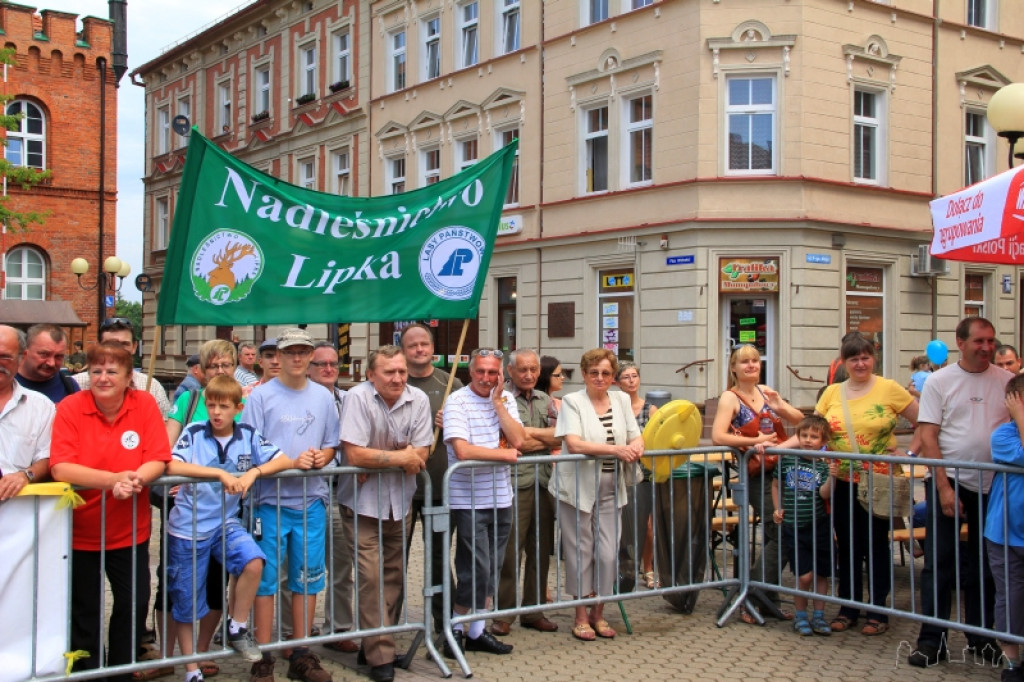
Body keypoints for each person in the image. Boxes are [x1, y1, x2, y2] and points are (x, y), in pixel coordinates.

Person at [166, 375, 313, 682]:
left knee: (254, 561)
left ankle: (237, 625)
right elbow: (172, 465)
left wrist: (254, 473)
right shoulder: (194, 432)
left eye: (223, 406)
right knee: (187, 600)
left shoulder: (247, 434)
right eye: (211, 405)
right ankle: (191, 668)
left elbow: (283, 460)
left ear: (238, 407)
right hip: (188, 528)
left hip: (225, 523)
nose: (216, 412)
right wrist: (217, 474)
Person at [49, 341, 170, 681]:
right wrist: (113, 479)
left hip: (130, 530)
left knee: (132, 606)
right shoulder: (71, 407)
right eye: (97, 370)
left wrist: (133, 481)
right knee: (85, 610)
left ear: (129, 377)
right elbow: (61, 468)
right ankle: (88, 673)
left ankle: (121, 669)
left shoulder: (143, 404)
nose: (103, 377)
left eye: (112, 371)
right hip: (80, 530)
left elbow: (157, 457)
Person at [909, 316, 1013, 667]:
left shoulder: (1008, 381)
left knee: (985, 568)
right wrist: (942, 488)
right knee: (939, 564)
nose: (986, 348)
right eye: (979, 341)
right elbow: (927, 435)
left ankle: (982, 638)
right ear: (960, 342)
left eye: (990, 342)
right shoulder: (940, 381)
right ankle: (931, 640)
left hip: (994, 487)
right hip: (949, 482)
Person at [243, 328, 339, 682]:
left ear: (310, 356)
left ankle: (301, 652)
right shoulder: (261, 397)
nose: (297, 358)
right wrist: (289, 461)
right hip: (269, 502)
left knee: (308, 579)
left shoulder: (323, 397)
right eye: (290, 352)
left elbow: (332, 444)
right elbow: (250, 449)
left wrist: (319, 458)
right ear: (277, 357)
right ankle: (263, 656)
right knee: (266, 581)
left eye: (303, 352)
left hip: (310, 501)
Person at [337, 346, 432, 682]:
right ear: (371, 374)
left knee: (394, 576)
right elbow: (354, 454)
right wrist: (399, 457)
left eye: (402, 371)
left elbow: (422, 451)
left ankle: (374, 641)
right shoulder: (357, 398)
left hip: (400, 503)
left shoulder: (418, 399)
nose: (397, 378)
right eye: (389, 372)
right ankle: (381, 656)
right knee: (371, 577)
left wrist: (383, 457)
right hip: (361, 503)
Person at [815, 332, 918, 636]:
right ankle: (848, 607)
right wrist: (778, 446)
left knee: (875, 546)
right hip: (844, 481)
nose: (860, 363)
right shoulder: (832, 392)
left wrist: (910, 453)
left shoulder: (889, 388)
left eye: (865, 357)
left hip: (878, 482)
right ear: (844, 362)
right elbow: (815, 430)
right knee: (846, 546)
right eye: (853, 358)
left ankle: (878, 610)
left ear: (873, 358)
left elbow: (924, 421)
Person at [551, 348, 644, 642]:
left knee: (607, 553)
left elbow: (634, 433)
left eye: (605, 373)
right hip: (577, 486)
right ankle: (580, 615)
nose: (600, 378)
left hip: (611, 484)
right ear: (584, 374)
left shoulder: (620, 399)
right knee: (581, 551)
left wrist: (637, 445)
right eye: (594, 373)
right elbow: (575, 444)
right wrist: (617, 450)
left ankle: (599, 612)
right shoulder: (572, 401)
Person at [710, 344, 803, 624]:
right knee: (783, 529)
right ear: (734, 368)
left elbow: (802, 420)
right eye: (744, 362)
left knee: (784, 532)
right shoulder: (731, 397)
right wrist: (755, 442)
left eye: (755, 360)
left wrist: (780, 406)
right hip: (757, 475)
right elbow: (718, 436)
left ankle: (765, 598)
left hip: (782, 471)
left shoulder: (766, 391)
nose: (751, 365)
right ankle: (755, 598)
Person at [442, 348, 525, 657]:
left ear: (501, 375)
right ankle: (455, 630)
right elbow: (463, 450)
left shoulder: (506, 400)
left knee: (492, 567)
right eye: (481, 371)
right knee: (475, 568)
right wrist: (504, 455)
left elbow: (519, 439)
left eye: (493, 373)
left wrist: (498, 404)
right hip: (468, 500)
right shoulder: (457, 401)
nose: (486, 378)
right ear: (470, 371)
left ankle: (475, 631)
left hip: (502, 497)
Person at [492, 349, 560, 636]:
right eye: (523, 370)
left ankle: (533, 611)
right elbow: (509, 442)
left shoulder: (546, 400)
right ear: (510, 371)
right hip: (513, 484)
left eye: (533, 369)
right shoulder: (502, 400)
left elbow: (560, 435)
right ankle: (504, 613)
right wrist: (534, 439)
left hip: (544, 482)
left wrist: (526, 437)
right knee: (510, 552)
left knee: (541, 550)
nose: (530, 374)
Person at [400, 323, 462, 632]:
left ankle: (445, 624)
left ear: (432, 347)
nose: (419, 349)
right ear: (403, 350)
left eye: (424, 343)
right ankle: (386, 627)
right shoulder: (394, 381)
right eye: (412, 345)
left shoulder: (451, 383)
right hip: (402, 493)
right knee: (395, 563)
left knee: (439, 560)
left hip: (440, 489)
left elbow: (468, 425)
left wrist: (452, 421)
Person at [306, 342, 357, 653]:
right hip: (307, 492)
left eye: (333, 364)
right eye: (321, 364)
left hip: (340, 491)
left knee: (341, 566)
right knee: (298, 567)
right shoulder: (300, 399)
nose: (328, 369)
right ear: (309, 368)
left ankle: (338, 628)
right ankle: (293, 631)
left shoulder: (349, 399)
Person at [771, 415, 834, 637]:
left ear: (823, 441)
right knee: (804, 575)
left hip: (818, 524)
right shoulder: (788, 460)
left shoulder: (824, 464)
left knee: (820, 573)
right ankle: (800, 615)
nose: (808, 440)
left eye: (814, 437)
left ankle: (818, 614)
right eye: (804, 436)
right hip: (793, 525)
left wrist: (831, 478)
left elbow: (823, 494)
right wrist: (777, 509)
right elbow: (776, 485)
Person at [986, 374, 1024, 681]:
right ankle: (1012, 660)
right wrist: (1020, 419)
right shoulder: (1003, 434)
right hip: (1005, 532)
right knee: (1009, 595)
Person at [72, 317, 172, 418]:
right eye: (111, 344)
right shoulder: (75, 385)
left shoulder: (152, 387)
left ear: (134, 347)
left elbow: (165, 428)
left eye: (124, 344)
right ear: (99, 346)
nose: (118, 350)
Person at [615, 362, 658, 589]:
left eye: (634, 376)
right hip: (622, 469)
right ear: (618, 382)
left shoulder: (649, 408)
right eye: (626, 377)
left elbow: (659, 438)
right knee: (623, 522)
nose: (631, 380)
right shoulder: (615, 406)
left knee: (647, 524)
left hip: (645, 471)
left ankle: (648, 568)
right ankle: (625, 568)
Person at [0, 325, 54, 501]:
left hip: (20, 517)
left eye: (5, 357)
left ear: (21, 358)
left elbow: (48, 457)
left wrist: (25, 476)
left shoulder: (41, 407)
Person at [16, 323, 78, 403]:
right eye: (44, 354)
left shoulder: (70, 387)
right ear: (25, 352)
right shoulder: (6, 383)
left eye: (58, 356)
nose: (51, 363)